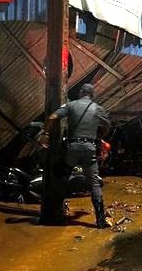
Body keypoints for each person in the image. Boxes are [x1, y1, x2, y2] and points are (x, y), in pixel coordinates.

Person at [46, 84, 111, 228]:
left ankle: (56, 214)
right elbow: (107, 126)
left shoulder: (71, 105)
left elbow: (53, 117)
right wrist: (98, 136)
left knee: (61, 177)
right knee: (94, 183)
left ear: (81, 92)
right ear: (92, 95)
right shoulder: (98, 109)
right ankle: (100, 221)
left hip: (73, 148)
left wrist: (45, 135)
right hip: (90, 148)